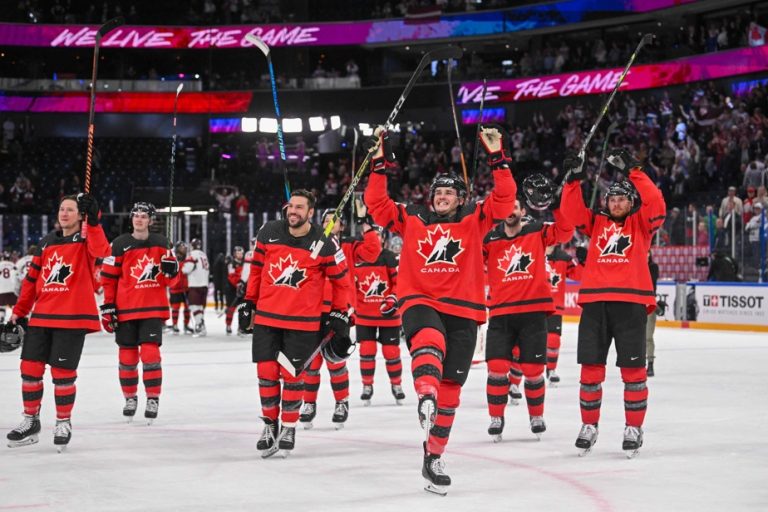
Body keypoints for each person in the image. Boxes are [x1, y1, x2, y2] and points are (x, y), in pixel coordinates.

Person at [364, 125, 515, 494]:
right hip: (420, 300)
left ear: (461, 197)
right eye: (438, 193)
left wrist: (498, 156)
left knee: (452, 391)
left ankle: (433, 455)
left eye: (449, 192)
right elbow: (377, 205)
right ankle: (424, 394)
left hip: (464, 309)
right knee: (429, 341)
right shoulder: (412, 216)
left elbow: (506, 199)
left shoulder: (475, 219)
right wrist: (378, 163)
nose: (442, 197)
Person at [560, 147, 666, 457]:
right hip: (595, 303)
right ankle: (589, 425)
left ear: (631, 203)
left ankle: (633, 427)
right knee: (590, 370)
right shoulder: (597, 224)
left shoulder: (642, 224)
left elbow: (656, 203)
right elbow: (571, 213)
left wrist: (634, 169)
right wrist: (573, 180)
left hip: (631, 303)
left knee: (633, 372)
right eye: (612, 199)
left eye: (622, 198)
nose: (616, 202)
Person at [241, 190, 352, 457]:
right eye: (291, 206)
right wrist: (249, 302)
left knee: (292, 376)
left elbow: (342, 280)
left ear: (310, 212)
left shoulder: (325, 241)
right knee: (266, 373)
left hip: (302, 323)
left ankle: (288, 425)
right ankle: (270, 424)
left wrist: (339, 312)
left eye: (300, 208)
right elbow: (256, 269)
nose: (293, 211)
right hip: (267, 318)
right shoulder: (268, 231)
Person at [6, 193, 110, 451]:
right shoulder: (45, 243)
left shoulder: (87, 239)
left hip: (72, 318)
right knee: (29, 369)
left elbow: (102, 251)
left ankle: (63, 421)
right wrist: (18, 312)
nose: (64, 213)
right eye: (62, 209)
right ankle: (31, 421)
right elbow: (30, 282)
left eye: (71, 210)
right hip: (41, 316)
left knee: (63, 375)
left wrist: (95, 220)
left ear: (80, 214)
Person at [483, 197, 573, 443]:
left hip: (533, 312)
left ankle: (536, 416)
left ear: (522, 211)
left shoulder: (538, 231)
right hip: (501, 313)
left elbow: (565, 231)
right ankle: (496, 418)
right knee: (497, 369)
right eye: (507, 207)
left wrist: (555, 203)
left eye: (515, 207)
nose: (511, 211)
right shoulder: (489, 239)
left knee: (533, 370)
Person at [100, 202, 179, 423]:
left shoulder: (163, 244)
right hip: (125, 309)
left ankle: (153, 398)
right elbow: (108, 279)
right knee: (127, 356)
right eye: (136, 215)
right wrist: (108, 306)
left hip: (152, 308)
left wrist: (172, 271)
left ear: (151, 220)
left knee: (150, 354)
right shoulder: (119, 244)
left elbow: (171, 282)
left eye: (144, 216)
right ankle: (130, 398)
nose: (139, 219)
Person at [299, 210, 377, 429]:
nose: (329, 223)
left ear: (341, 227)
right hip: (313, 311)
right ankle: (308, 404)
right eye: (325, 220)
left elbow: (372, 252)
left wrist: (366, 226)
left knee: (335, 361)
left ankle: (341, 402)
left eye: (334, 221)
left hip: (339, 311)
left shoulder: (349, 248)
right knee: (311, 363)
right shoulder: (312, 246)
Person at [354, 227, 404, 406]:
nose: (374, 240)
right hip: (364, 315)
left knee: (391, 352)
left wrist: (393, 300)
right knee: (366, 351)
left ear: (383, 239)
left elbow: (399, 283)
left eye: (377, 236)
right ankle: (367, 386)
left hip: (388, 314)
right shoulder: (358, 257)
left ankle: (396, 385)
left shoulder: (390, 257)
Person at [544, 243, 584, 385]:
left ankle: (551, 370)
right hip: (534, 304)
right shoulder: (531, 253)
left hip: (555, 306)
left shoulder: (563, 258)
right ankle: (517, 379)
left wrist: (583, 262)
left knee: (553, 340)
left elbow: (579, 275)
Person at [182, 238, 210, 337]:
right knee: (200, 307)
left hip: (195, 284)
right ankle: (201, 325)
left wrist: (182, 268)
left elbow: (187, 269)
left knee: (194, 306)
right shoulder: (204, 255)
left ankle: (199, 326)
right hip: (204, 284)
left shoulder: (192, 254)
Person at [166, 241, 193, 335]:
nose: (184, 249)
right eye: (182, 247)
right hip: (175, 287)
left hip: (185, 288)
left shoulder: (188, 258)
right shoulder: (173, 257)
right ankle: (175, 325)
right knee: (175, 308)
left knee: (187, 308)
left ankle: (186, 325)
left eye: (185, 248)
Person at [224, 246, 246, 335]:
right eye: (238, 253)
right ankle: (228, 325)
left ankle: (241, 327)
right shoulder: (231, 263)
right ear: (234, 254)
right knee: (231, 309)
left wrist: (242, 285)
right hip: (232, 289)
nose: (240, 255)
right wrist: (237, 285)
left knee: (242, 309)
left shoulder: (245, 263)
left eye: (241, 253)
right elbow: (231, 276)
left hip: (242, 288)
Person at [646, 251, 660, 377]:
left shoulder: (653, 267)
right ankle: (637, 363)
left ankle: (650, 364)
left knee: (648, 336)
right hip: (635, 304)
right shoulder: (634, 267)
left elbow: (651, 283)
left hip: (649, 302)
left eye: (648, 253)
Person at [0, 251, 19, 324]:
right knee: (13, 307)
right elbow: (17, 276)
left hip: (2, 289)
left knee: (2, 308)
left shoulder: (0, 264)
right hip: (12, 289)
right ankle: (13, 323)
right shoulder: (13, 265)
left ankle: (1, 322)